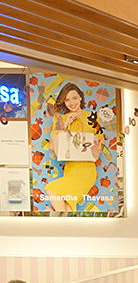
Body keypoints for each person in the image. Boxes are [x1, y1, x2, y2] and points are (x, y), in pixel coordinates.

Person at [45, 83, 103, 212]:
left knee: (51, 189)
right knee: (67, 207)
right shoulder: (60, 119)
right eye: (67, 100)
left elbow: (100, 141)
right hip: (70, 169)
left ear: (80, 98)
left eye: (74, 98)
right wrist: (65, 124)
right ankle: (69, 228)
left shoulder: (91, 116)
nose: (71, 103)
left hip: (87, 170)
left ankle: (64, 226)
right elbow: (54, 146)